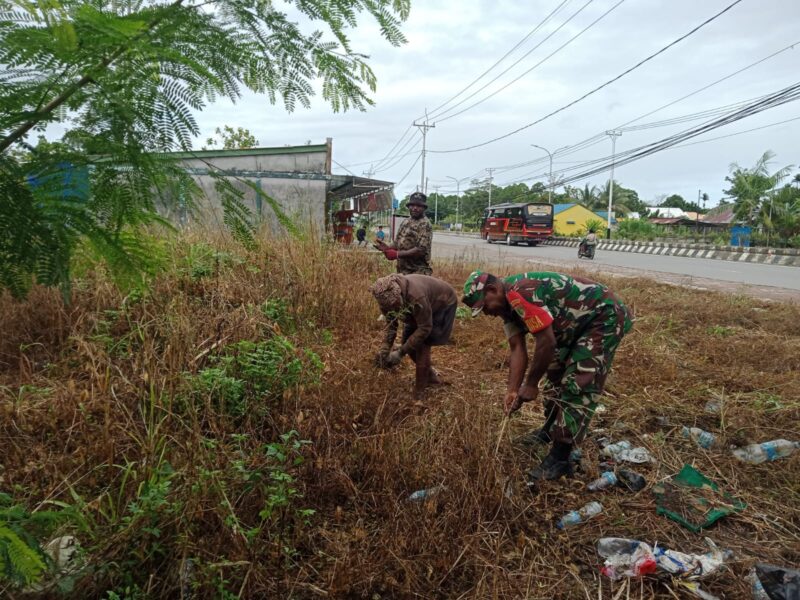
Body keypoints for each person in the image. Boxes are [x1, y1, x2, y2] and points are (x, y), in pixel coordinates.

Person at [461, 270, 632, 481]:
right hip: (573, 328)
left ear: (493, 289)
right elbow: (517, 349)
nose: (487, 313)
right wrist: (513, 390)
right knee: (554, 376)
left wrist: (531, 384)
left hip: (603, 317)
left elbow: (547, 342)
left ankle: (561, 457)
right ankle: (550, 429)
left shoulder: (519, 293)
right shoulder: (507, 308)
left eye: (484, 306)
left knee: (577, 383)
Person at [370, 273, 457, 398]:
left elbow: (425, 327)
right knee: (409, 344)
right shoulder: (385, 300)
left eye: (396, 305)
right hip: (418, 311)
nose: (394, 309)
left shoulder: (416, 296)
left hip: (443, 304)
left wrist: (400, 353)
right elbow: (392, 326)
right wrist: (385, 349)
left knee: (422, 345)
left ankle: (419, 393)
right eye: (390, 308)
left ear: (400, 295)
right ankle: (432, 378)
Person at [374, 192, 432, 275]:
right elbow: (397, 243)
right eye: (412, 205)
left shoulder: (425, 224)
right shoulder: (406, 221)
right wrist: (388, 248)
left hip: (418, 273)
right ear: (408, 207)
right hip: (403, 271)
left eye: (418, 206)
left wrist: (397, 254)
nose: (415, 208)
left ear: (424, 208)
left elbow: (420, 250)